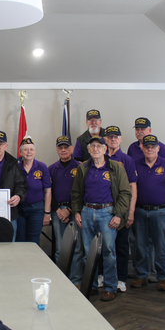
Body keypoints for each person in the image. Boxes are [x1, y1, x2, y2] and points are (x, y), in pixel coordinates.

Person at [71, 136, 131, 302]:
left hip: (108, 213)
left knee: (109, 252)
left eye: (99, 146)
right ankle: (91, 285)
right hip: (87, 212)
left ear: (105, 149)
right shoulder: (83, 168)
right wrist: (77, 211)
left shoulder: (116, 168)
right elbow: (75, 193)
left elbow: (126, 192)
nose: (95, 149)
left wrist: (119, 214)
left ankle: (110, 287)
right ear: (88, 150)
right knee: (88, 252)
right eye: (92, 146)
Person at [131, 135, 165, 292]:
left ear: (158, 148)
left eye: (153, 146)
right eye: (147, 146)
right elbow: (131, 186)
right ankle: (141, 275)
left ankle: (163, 278)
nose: (150, 149)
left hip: (161, 212)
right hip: (140, 211)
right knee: (140, 246)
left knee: (161, 246)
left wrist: (162, 196)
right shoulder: (134, 164)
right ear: (142, 148)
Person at [103, 126, 137, 293]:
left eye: (116, 137)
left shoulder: (126, 159)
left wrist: (130, 211)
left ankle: (121, 278)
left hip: (121, 209)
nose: (112, 139)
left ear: (121, 139)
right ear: (105, 140)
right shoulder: (99, 157)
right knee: (104, 246)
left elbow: (132, 186)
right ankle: (103, 275)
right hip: (103, 209)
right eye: (109, 137)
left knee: (121, 245)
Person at [47, 136, 82, 283]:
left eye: (66, 147)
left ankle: (76, 279)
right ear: (57, 150)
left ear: (71, 149)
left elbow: (83, 191)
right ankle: (62, 280)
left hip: (75, 211)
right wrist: (58, 210)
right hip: (57, 211)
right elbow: (49, 192)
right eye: (60, 147)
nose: (63, 150)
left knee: (77, 247)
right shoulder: (51, 168)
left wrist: (70, 209)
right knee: (60, 247)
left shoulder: (80, 167)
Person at [16, 137, 51, 245]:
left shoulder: (42, 167)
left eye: (31, 149)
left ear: (35, 151)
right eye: (26, 149)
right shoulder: (15, 167)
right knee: (20, 240)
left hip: (36, 210)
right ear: (20, 152)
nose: (29, 152)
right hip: (19, 210)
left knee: (33, 241)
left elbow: (48, 191)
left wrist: (47, 213)